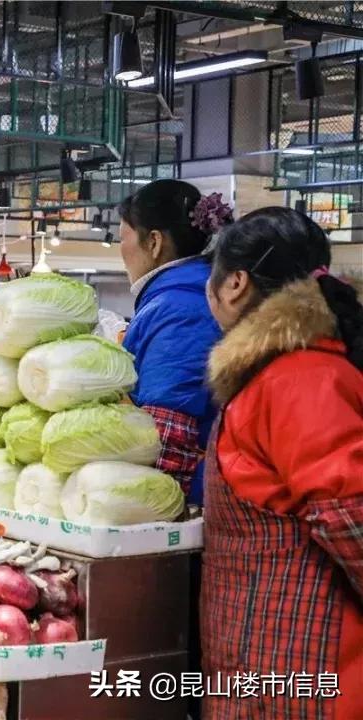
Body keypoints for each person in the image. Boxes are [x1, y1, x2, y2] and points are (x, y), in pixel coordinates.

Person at [200, 207, 363, 720]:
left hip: (306, 676)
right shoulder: (280, 374)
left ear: (235, 284)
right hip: (264, 667)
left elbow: (351, 517)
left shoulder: (301, 378)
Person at [118, 179, 231, 505]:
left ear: (154, 242)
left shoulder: (180, 311)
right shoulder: (188, 297)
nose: (120, 250)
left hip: (189, 503)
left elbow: (166, 442)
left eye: (121, 238)